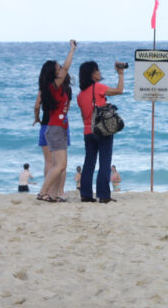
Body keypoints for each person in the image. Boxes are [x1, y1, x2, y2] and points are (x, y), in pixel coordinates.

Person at [78, 59, 126, 203]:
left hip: (88, 131)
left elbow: (83, 116)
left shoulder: (80, 95)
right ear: (92, 74)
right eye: (97, 70)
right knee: (105, 162)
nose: (99, 72)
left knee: (89, 163)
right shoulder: (97, 88)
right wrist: (121, 74)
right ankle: (103, 195)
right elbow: (119, 90)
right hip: (102, 130)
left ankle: (86, 194)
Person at [36, 40, 77, 202]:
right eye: (58, 68)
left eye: (60, 67)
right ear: (54, 74)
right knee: (59, 165)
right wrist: (72, 50)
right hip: (55, 129)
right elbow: (67, 68)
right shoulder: (53, 86)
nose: (62, 69)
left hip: (57, 128)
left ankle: (53, 195)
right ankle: (42, 192)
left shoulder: (57, 87)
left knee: (59, 165)